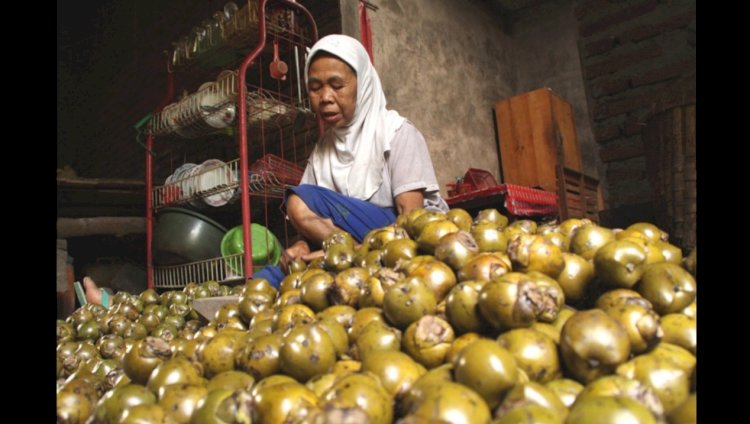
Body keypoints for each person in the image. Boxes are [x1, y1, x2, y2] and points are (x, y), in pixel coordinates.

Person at [253, 34, 448, 287]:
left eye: (337, 85)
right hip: (348, 244)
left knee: (298, 201)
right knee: (264, 281)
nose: (325, 97)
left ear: (362, 84)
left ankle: (352, 256)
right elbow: (311, 225)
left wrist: (341, 252)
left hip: (402, 240)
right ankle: (348, 258)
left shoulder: (396, 133)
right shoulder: (322, 151)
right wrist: (301, 247)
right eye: (315, 88)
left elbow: (410, 221)